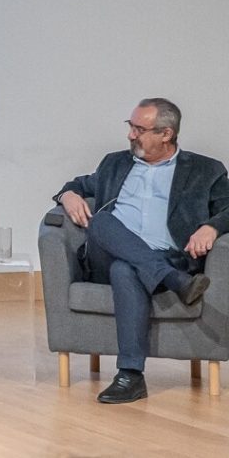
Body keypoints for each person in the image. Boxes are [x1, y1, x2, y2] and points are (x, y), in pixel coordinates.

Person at [55, 98, 229, 403]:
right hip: (106, 256)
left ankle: (130, 376)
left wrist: (211, 227)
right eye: (130, 126)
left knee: (126, 268)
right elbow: (78, 184)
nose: (131, 135)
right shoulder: (115, 163)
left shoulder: (206, 170)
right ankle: (175, 281)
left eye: (139, 129)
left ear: (166, 133)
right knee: (103, 222)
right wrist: (68, 194)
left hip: (167, 256)